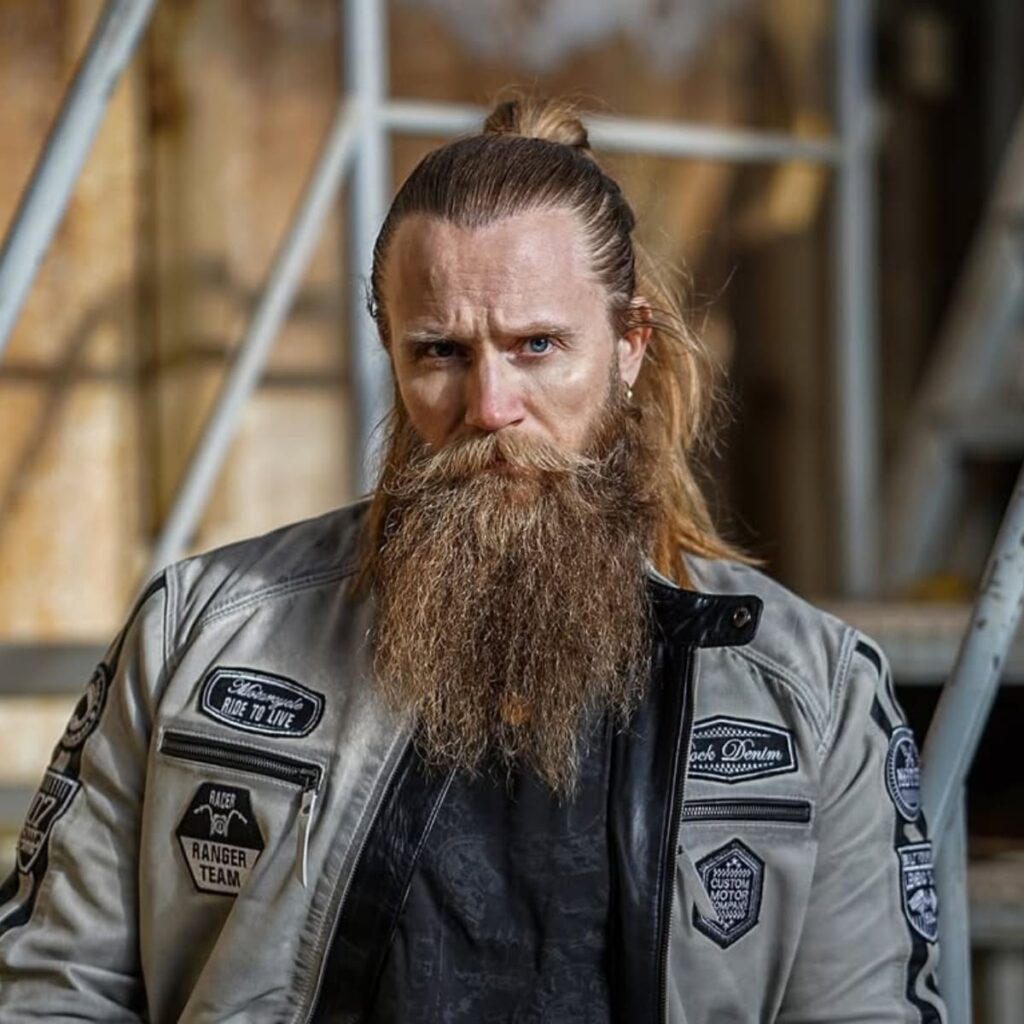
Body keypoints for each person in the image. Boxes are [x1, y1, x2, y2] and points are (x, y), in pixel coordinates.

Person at [0, 94, 946, 1023]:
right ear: (391, 350)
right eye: (441, 352)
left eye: (538, 346)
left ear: (628, 346)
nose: (490, 407)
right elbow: (50, 990)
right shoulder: (201, 632)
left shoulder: (812, 692)